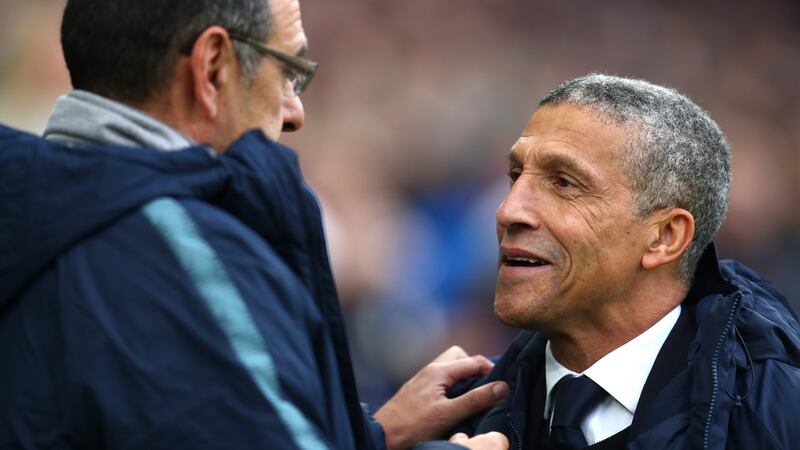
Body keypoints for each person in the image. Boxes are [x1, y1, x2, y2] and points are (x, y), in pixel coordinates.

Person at [0, 0, 510, 449]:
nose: (295, 111)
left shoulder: (46, 210)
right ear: (213, 67)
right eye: (289, 70)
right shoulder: (182, 250)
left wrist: (368, 436)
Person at [446, 74, 800, 449]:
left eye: (564, 183)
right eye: (515, 176)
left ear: (664, 237)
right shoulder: (450, 415)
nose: (507, 210)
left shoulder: (777, 418)